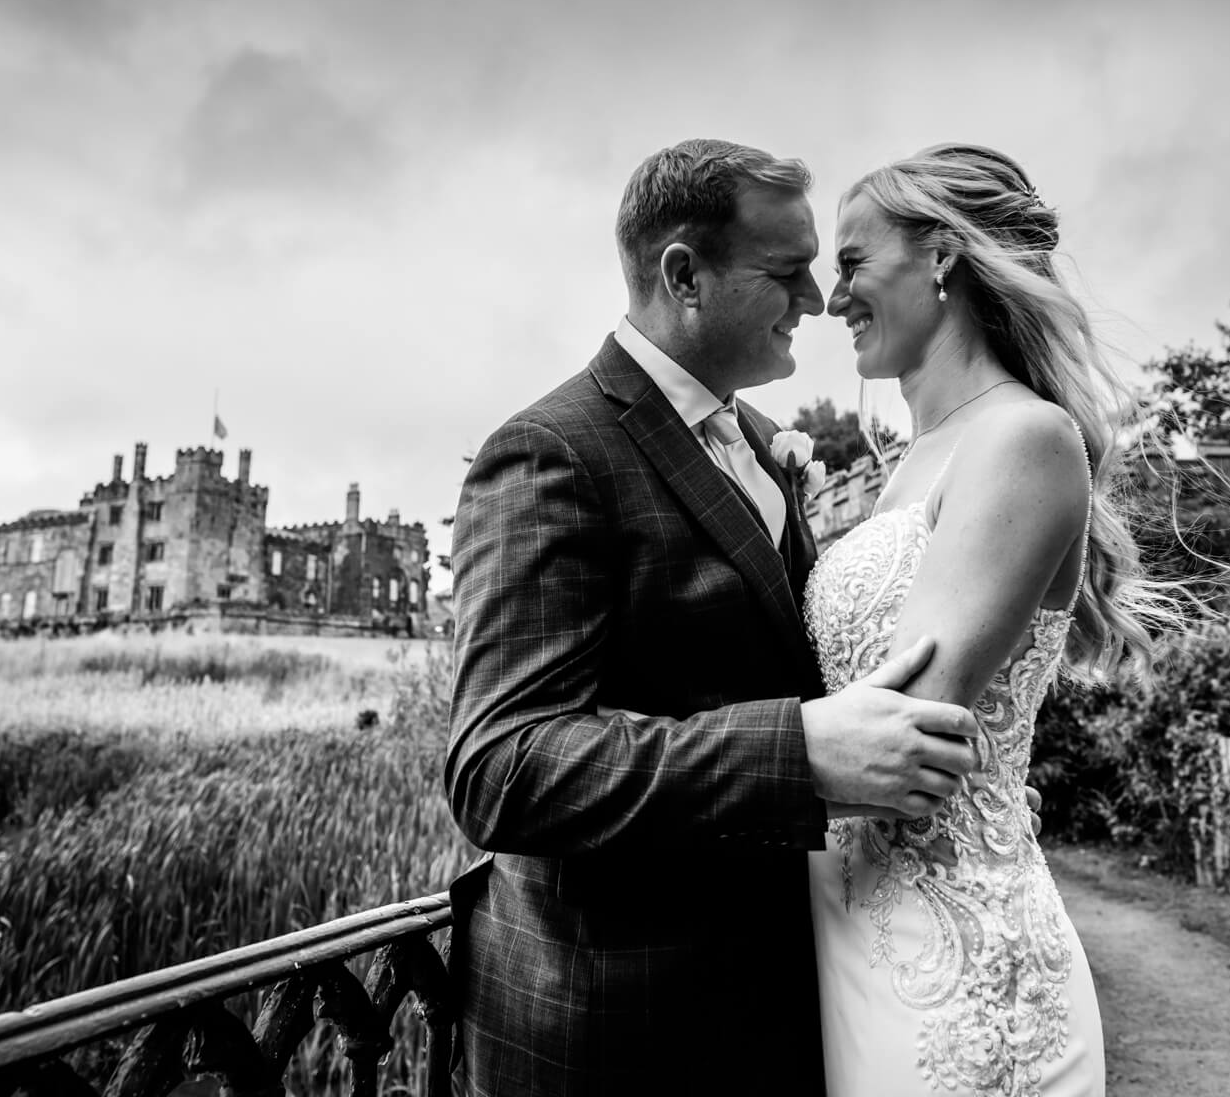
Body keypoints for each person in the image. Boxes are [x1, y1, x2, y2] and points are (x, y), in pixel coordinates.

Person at [443, 139, 988, 1096]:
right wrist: (801, 754)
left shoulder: (753, 443)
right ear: (684, 276)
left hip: (780, 1002)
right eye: (786, 272)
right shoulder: (550, 451)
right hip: (618, 1033)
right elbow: (502, 767)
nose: (818, 300)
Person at [806, 143, 1179, 1096]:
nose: (830, 293)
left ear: (943, 257)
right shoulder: (908, 466)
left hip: (954, 967)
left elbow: (904, 734)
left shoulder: (1022, 436)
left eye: (852, 261)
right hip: (852, 929)